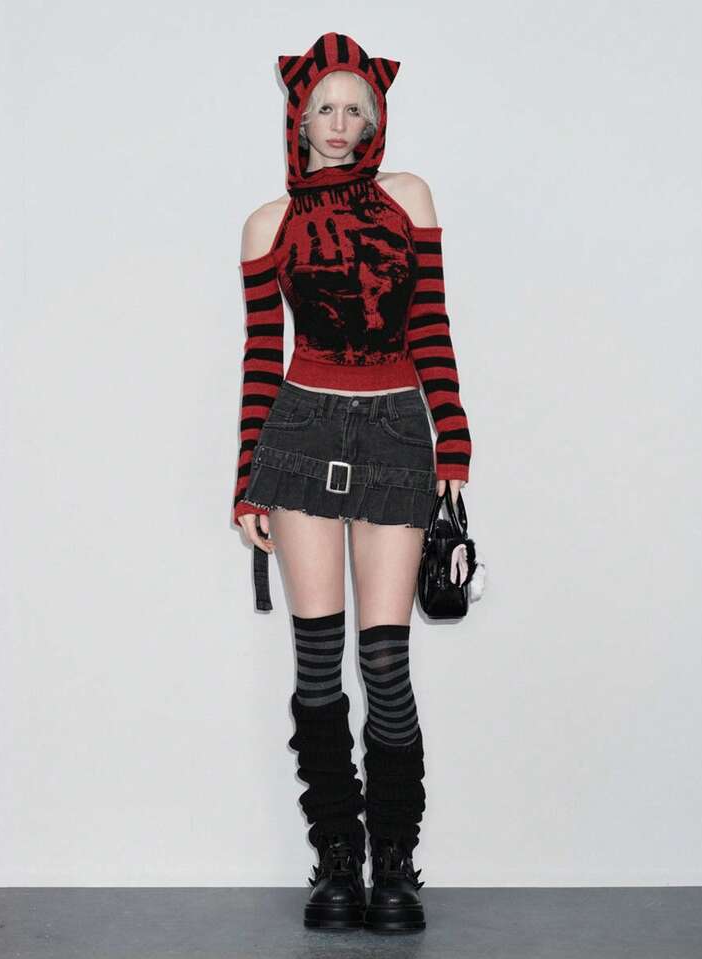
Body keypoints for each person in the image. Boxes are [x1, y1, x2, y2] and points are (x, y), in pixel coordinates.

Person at [231, 31, 472, 933]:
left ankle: (394, 862)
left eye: (354, 109)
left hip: (396, 435)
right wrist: (247, 482)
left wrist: (454, 448)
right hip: (299, 436)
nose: (338, 123)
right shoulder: (268, 224)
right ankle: (337, 856)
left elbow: (433, 327)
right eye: (323, 108)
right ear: (300, 119)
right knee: (317, 662)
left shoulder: (410, 199)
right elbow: (262, 357)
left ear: (375, 119)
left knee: (385, 663)